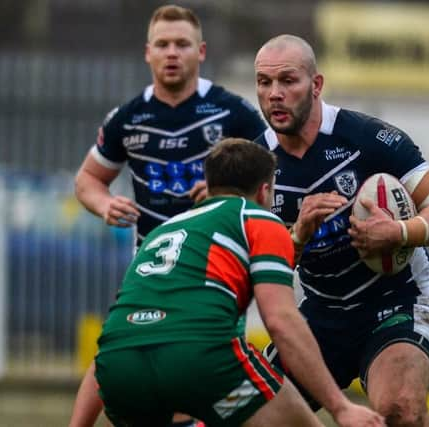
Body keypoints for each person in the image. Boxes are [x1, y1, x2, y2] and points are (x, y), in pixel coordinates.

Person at [90, 138, 385, 427]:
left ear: (209, 185)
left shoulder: (161, 231)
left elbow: (116, 332)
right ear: (264, 191)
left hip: (117, 368)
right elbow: (281, 320)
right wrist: (341, 407)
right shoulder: (258, 219)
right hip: (198, 356)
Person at [253, 34, 429, 427]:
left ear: (316, 85)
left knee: (398, 411)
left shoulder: (368, 139)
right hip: (320, 312)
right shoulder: (255, 163)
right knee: (253, 418)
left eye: (288, 80)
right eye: (264, 83)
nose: (275, 94)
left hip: (396, 298)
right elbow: (254, 264)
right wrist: (297, 235)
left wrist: (401, 233)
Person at [71, 5, 266, 427]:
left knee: (210, 352)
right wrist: (104, 204)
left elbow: (273, 176)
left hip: (217, 259)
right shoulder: (127, 119)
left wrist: (225, 194)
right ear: (147, 53)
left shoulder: (231, 111)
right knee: (120, 344)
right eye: (162, 44)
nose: (172, 52)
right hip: (153, 259)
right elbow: (87, 180)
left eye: (182, 44)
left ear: (202, 51)